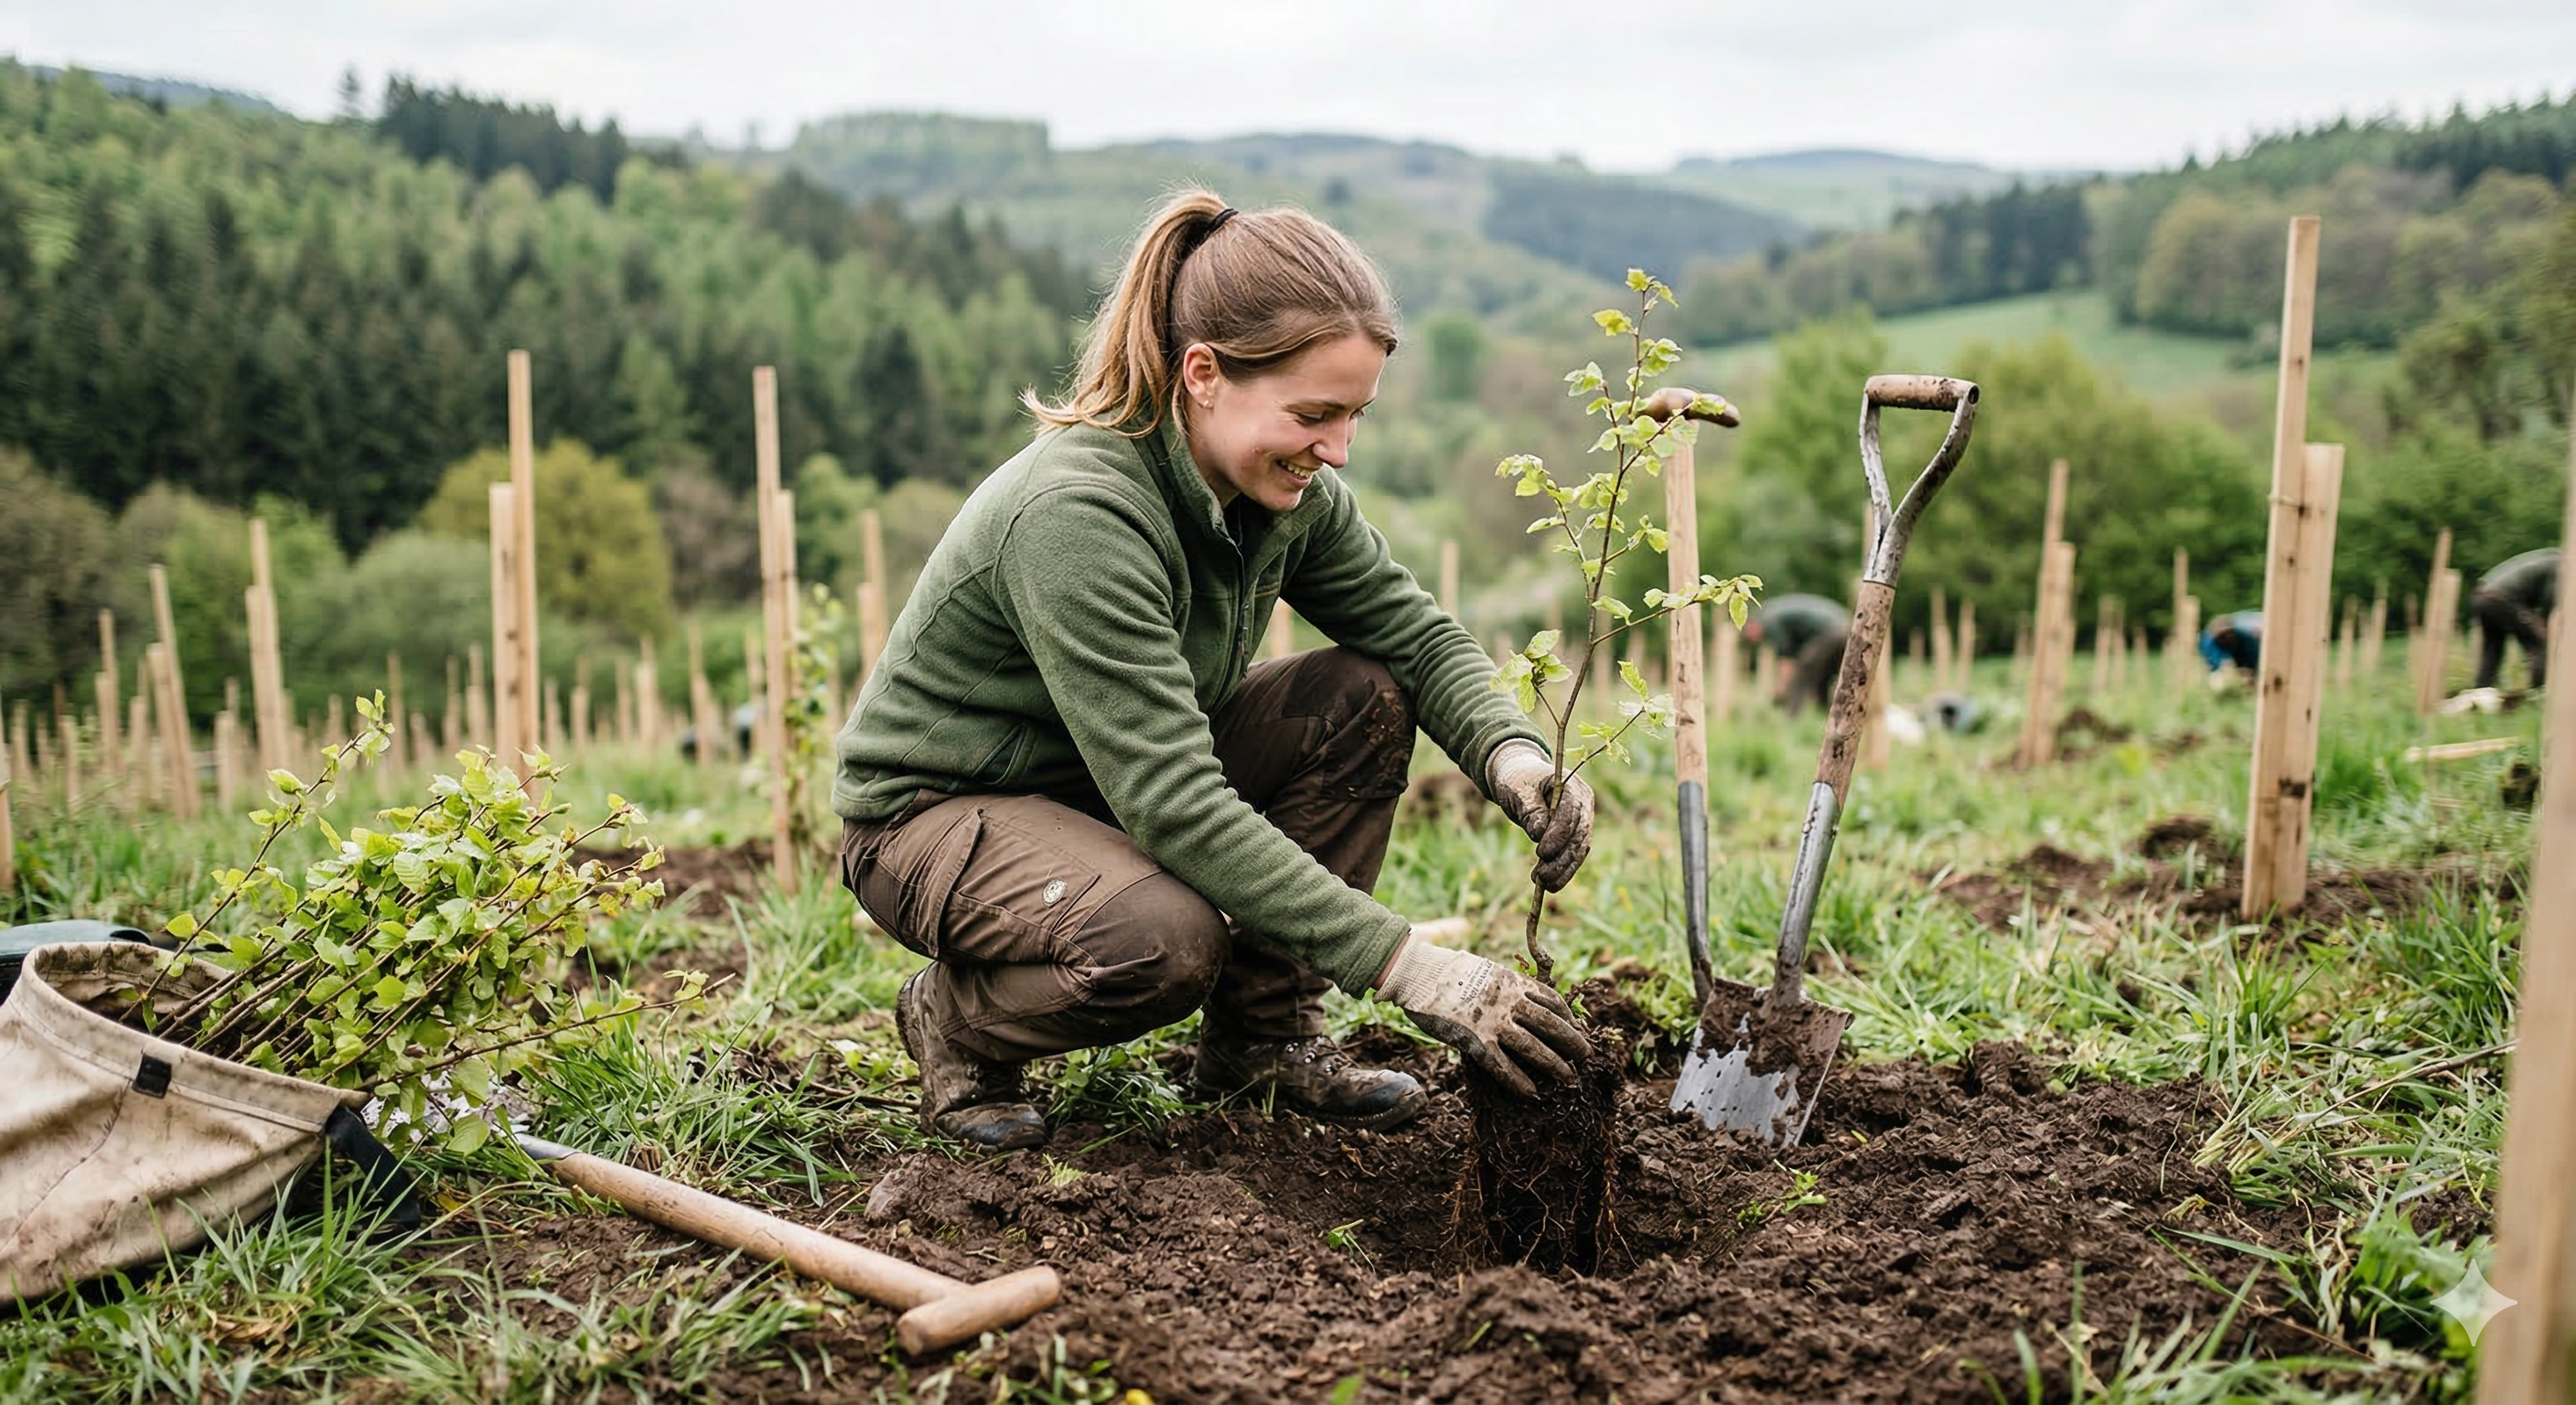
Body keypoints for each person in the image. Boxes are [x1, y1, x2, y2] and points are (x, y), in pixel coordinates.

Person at [831, 190, 1594, 1153]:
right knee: (1162, 940)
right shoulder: (1079, 515)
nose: (1337, 449)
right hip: (936, 818)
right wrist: (1409, 967)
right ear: (1202, 374)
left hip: (1097, 791)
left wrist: (1514, 757)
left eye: (1354, 415)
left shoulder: (1284, 492)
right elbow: (1175, 803)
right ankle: (955, 1023)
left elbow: (1416, 638)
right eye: (1312, 414)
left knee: (1359, 696)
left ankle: (1264, 1041)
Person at [1743, 593, 1850, 713]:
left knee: (1803, 668)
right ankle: (1824, 712)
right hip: (1844, 626)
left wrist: (1781, 688)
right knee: (1824, 672)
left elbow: (1786, 660)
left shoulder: (1770, 622)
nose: (1754, 641)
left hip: (1832, 630)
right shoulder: (1773, 612)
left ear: (1752, 625)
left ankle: (1792, 715)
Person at [2473, 548, 2557, 691]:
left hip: (2483, 595)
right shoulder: (2560, 566)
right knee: (2540, 643)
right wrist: (2545, 625)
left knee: (2493, 647)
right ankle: (2538, 692)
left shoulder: (2550, 557)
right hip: (2501, 598)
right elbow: (2549, 599)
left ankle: (2482, 689)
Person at [2200, 609, 2262, 675]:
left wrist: (2249, 669)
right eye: (2223, 636)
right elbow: (2216, 662)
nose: (2228, 636)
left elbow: (2252, 655)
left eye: (2229, 633)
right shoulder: (2209, 643)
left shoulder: (2244, 636)